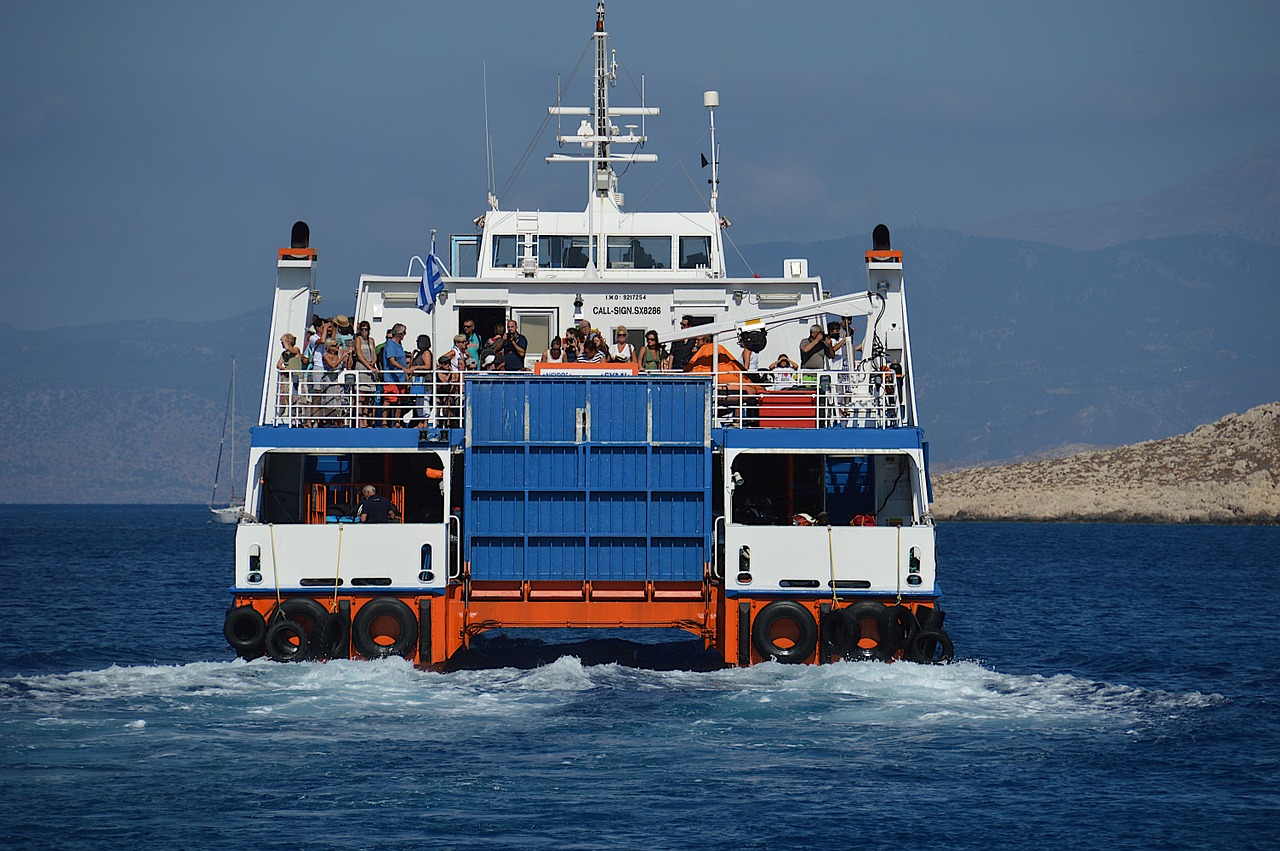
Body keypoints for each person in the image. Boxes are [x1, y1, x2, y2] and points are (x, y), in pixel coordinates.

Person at [382, 323, 408, 426]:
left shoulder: (399, 345)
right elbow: (391, 360)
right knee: (389, 399)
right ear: (400, 334)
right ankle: (384, 421)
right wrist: (403, 368)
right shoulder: (390, 344)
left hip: (400, 378)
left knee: (399, 400)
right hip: (391, 378)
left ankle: (397, 421)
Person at [407, 334, 434, 425]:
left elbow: (428, 366)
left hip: (425, 381)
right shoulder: (419, 353)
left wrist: (416, 367)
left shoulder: (426, 353)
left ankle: (425, 421)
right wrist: (412, 356)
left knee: (425, 400)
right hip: (418, 382)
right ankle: (420, 421)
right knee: (419, 401)